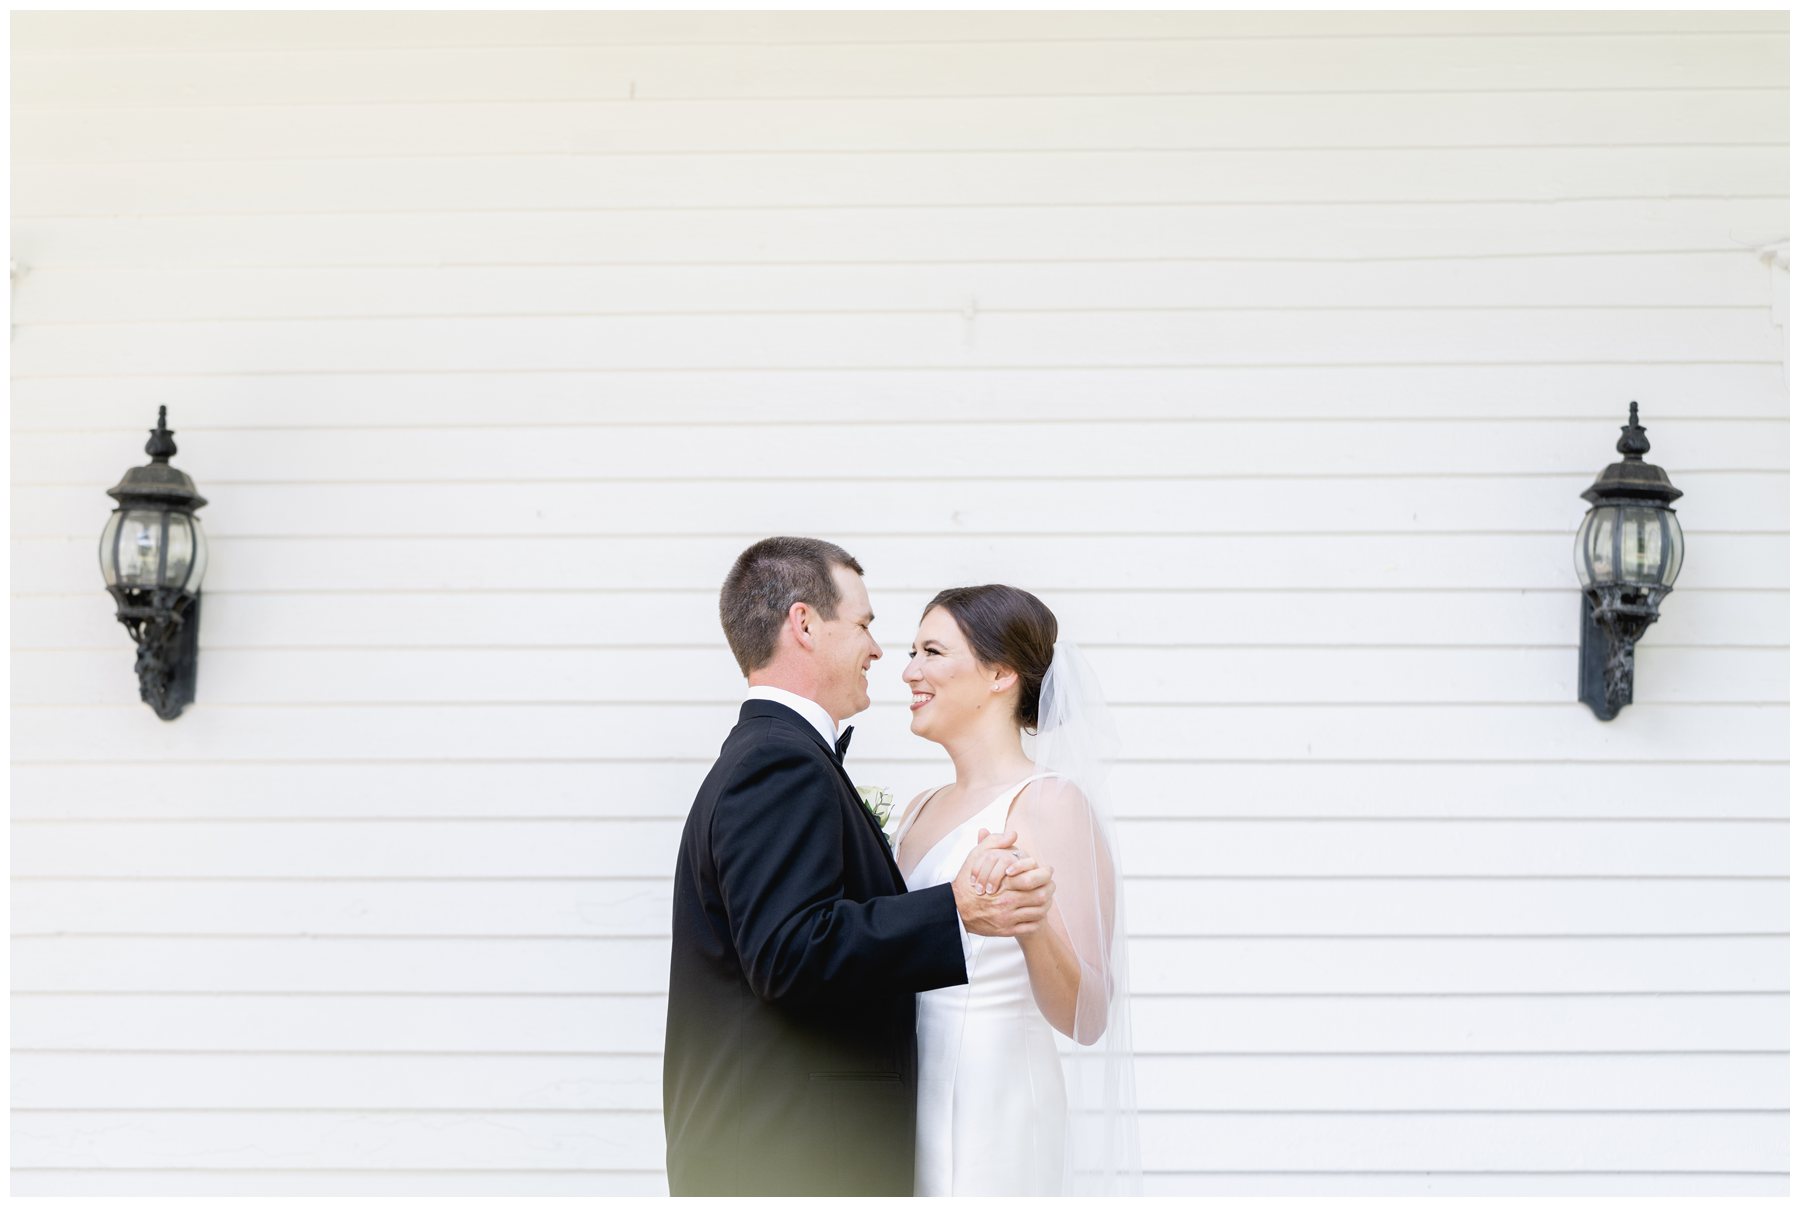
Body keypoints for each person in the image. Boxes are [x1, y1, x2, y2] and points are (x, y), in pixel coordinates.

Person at [663, 538, 1058, 1196]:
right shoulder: (779, 763)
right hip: (785, 1162)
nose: (880, 652)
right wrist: (954, 908)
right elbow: (789, 951)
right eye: (867, 624)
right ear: (805, 624)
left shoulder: (771, 754)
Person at [894, 584, 1141, 1195]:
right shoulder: (918, 809)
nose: (908, 672)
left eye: (932, 652)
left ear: (1000, 673)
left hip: (993, 1107)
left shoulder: (1051, 804)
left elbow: (1088, 1017)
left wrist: (1032, 925)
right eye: (912, 652)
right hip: (905, 1099)